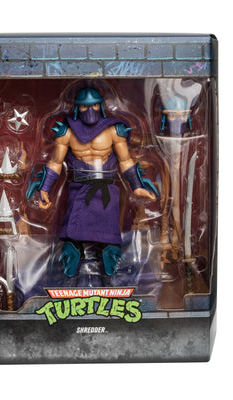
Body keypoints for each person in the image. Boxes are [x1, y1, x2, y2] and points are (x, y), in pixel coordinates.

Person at [27, 87, 158, 278]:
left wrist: (137, 186)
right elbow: (55, 162)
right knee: (73, 230)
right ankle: (72, 257)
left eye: (94, 105)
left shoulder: (113, 130)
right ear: (77, 108)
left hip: (106, 188)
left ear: (101, 106)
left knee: (109, 230)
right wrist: (45, 188)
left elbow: (125, 161)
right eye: (85, 107)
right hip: (79, 187)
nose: (90, 110)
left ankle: (111, 262)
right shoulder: (67, 132)